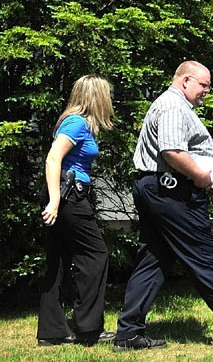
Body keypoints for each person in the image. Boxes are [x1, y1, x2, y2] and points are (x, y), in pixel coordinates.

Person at [113, 61, 213, 351]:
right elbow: (172, 151)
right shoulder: (174, 106)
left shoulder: (174, 105)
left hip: (160, 188)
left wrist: (204, 178)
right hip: (170, 191)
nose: (206, 92)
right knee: (201, 257)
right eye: (204, 85)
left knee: (153, 260)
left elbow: (180, 153)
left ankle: (128, 333)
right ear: (186, 80)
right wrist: (200, 176)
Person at [38, 75, 116, 346]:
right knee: (96, 255)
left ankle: (52, 332)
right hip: (69, 196)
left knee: (58, 259)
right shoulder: (77, 123)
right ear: (96, 97)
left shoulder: (80, 124)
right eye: (107, 95)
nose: (110, 101)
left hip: (65, 194)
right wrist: (55, 200)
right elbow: (53, 158)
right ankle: (89, 329)